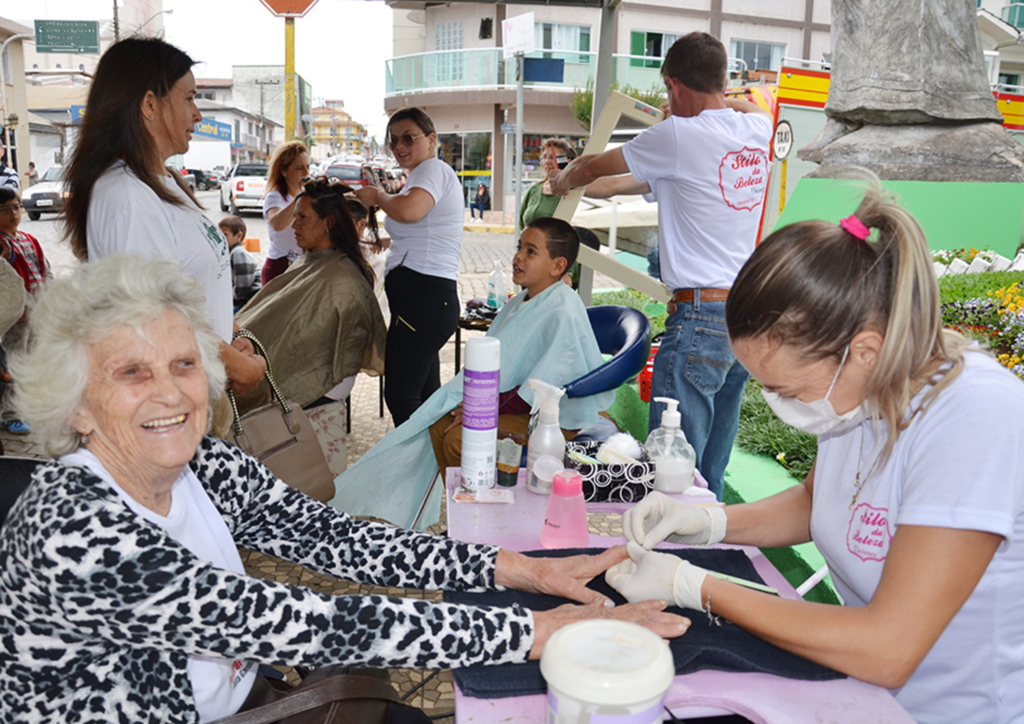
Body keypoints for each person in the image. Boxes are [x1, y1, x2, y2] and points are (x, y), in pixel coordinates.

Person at [0, 254, 688, 722]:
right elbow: (294, 618)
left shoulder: (199, 462)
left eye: (184, 363)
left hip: (242, 691)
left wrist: (515, 570)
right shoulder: (73, 531)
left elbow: (330, 536)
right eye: (131, 373)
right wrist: (531, 632)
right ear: (75, 406)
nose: (170, 392)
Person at [606, 179, 1024, 724]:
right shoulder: (859, 393)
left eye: (788, 390)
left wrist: (695, 585)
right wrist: (705, 523)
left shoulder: (975, 419)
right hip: (855, 693)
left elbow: (887, 648)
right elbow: (818, 502)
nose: (780, 405)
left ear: (864, 352)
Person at [550, 32, 772, 500]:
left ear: (673, 85)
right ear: (720, 79)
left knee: (670, 474)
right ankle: (704, 548)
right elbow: (616, 185)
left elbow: (593, 168)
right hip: (746, 318)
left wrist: (562, 179)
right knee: (707, 469)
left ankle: (667, 558)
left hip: (699, 319)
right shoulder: (753, 131)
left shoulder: (678, 136)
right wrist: (720, 97)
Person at [333, 217, 614, 529]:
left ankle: (492, 525)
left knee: (458, 440)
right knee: (437, 424)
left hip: (554, 421)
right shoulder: (522, 300)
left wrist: (480, 408)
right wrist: (473, 404)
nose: (518, 256)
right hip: (519, 407)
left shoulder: (562, 308)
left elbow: (546, 386)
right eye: (519, 247)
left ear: (557, 265)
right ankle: (468, 517)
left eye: (531, 251)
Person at [61, 36, 266, 436]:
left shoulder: (162, 180)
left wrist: (232, 334)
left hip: (193, 390)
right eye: (189, 98)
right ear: (150, 105)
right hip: (166, 410)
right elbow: (154, 318)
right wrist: (237, 364)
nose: (198, 115)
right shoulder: (126, 195)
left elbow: (191, 286)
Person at [233, 178, 387, 413]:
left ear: (329, 223)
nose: (294, 225)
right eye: (295, 216)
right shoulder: (313, 261)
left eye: (302, 217)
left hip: (323, 383)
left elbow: (306, 338)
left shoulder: (342, 277)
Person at [352, 107, 463, 426]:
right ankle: (433, 469)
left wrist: (378, 196)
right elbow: (422, 227)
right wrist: (383, 244)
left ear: (431, 140)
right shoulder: (421, 176)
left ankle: (416, 469)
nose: (400, 146)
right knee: (425, 397)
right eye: (393, 140)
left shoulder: (433, 170)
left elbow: (410, 211)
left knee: (401, 396)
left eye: (408, 138)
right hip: (423, 300)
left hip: (425, 300)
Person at [0, 188, 46, 435]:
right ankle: (9, 415)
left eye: (16, 206)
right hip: (16, 318)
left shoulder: (29, 239)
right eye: (5, 209)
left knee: (32, 363)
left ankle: (26, 407)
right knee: (13, 366)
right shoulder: (2, 244)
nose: (13, 213)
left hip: (37, 313)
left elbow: (44, 269)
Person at [261, 140, 311, 284]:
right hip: (279, 267)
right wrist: (301, 197)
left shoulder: (308, 197)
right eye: (299, 168)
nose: (306, 173)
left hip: (302, 265)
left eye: (308, 167)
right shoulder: (275, 197)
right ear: (283, 171)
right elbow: (277, 223)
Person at [518, 139, 577, 230]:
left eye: (552, 157)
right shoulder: (534, 189)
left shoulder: (576, 191)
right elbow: (521, 225)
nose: (547, 162)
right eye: (544, 157)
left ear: (567, 161)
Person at [217, 215, 261, 311]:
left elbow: (243, 288)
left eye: (224, 235)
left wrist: (229, 300)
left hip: (249, 301)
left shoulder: (238, 253)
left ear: (239, 236)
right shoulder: (230, 252)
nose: (221, 238)